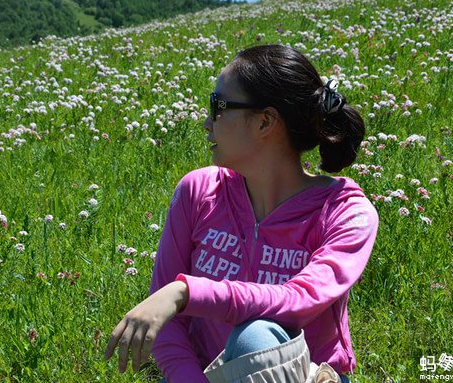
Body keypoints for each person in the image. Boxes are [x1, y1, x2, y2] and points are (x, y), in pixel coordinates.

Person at [105, 44, 378, 383]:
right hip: (209, 376)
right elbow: (170, 327)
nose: (207, 122)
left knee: (257, 337)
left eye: (217, 106)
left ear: (265, 121)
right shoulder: (198, 191)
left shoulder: (345, 211)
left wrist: (186, 292)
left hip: (303, 375)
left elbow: (300, 300)